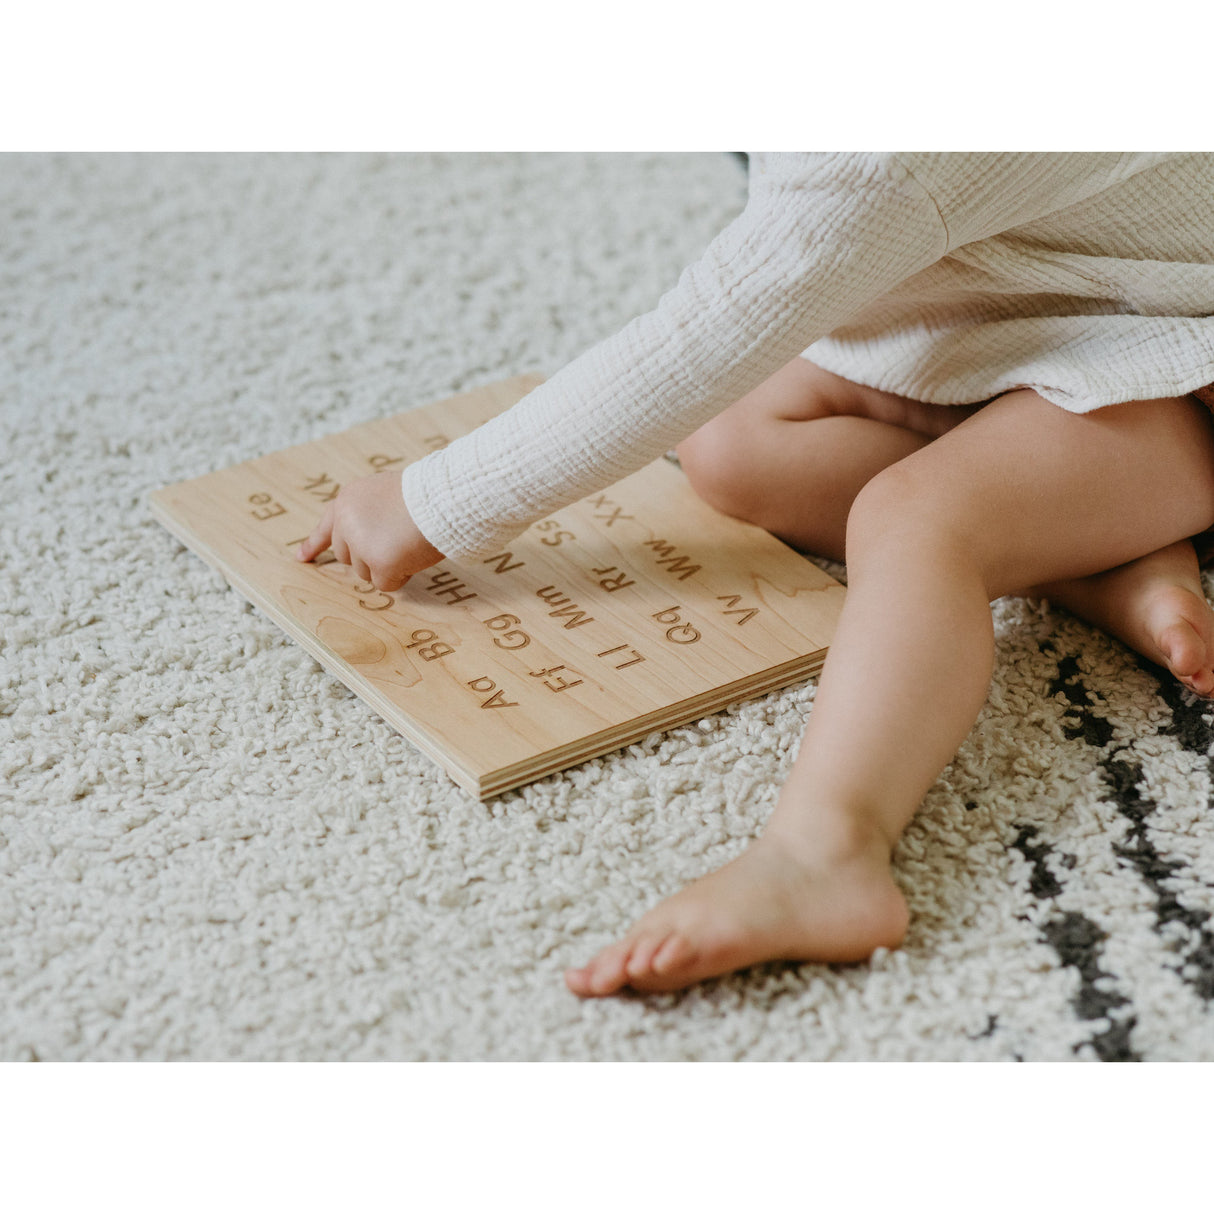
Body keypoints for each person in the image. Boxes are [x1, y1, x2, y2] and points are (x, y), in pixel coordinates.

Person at [298, 153, 1214, 998]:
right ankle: (1098, 558)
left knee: (915, 520)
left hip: (1175, 363)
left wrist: (435, 500)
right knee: (732, 446)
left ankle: (826, 854)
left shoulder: (894, 146)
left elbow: (694, 342)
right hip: (1030, 301)